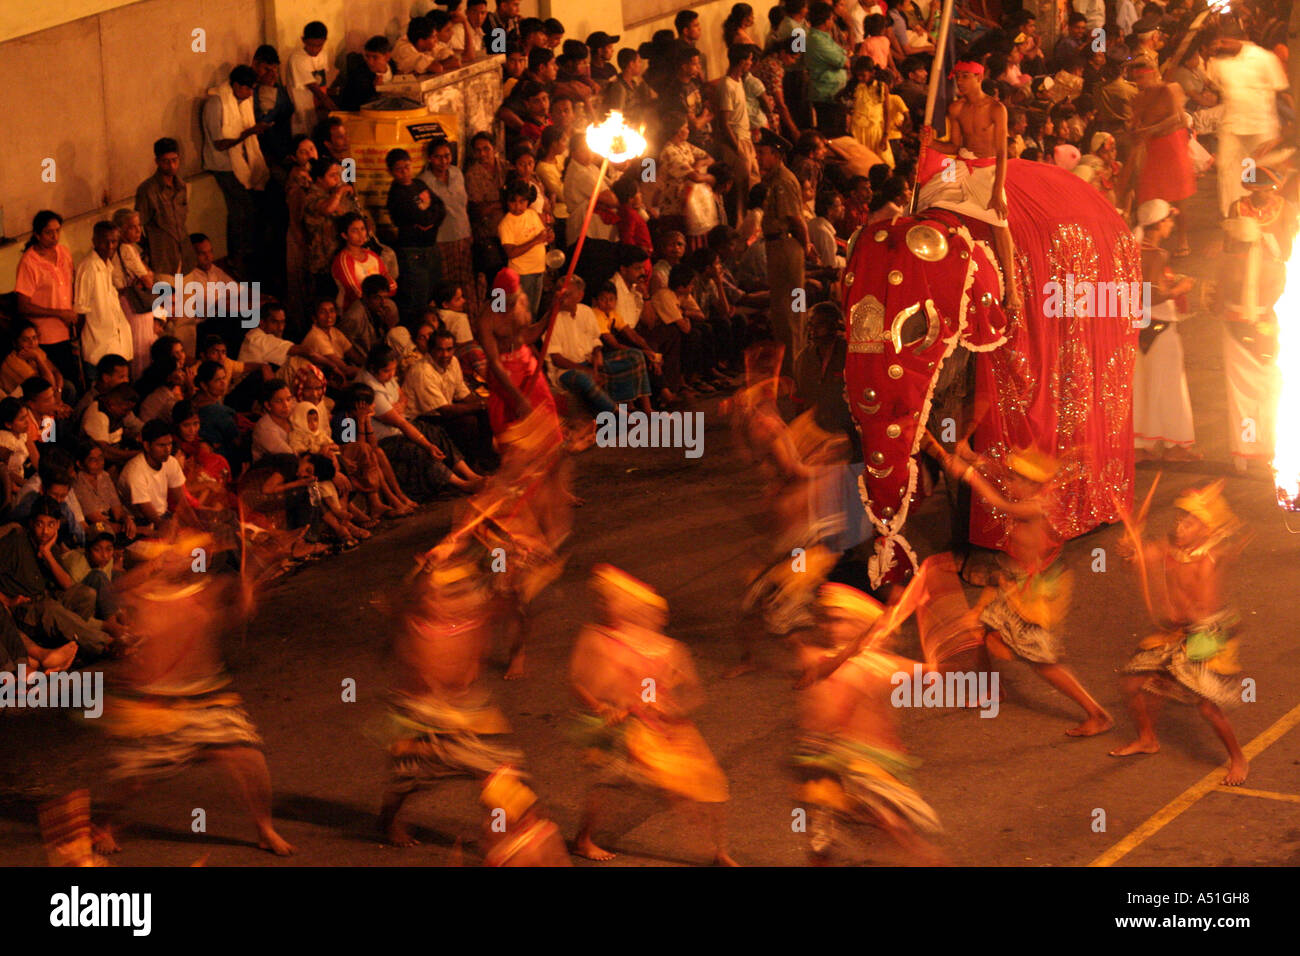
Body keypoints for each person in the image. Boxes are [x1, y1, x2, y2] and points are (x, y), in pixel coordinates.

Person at [91, 533, 294, 857]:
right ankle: (102, 824)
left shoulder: (205, 591)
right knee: (135, 781)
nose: (188, 560)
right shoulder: (143, 594)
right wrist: (160, 561)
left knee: (250, 759)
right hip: (157, 702)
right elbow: (116, 588)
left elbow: (239, 612)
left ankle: (264, 828)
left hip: (205, 696)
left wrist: (254, 579)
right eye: (182, 555)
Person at [924, 437, 1113, 737]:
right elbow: (1000, 477)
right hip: (1015, 581)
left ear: (1031, 485)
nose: (1008, 482)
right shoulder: (1031, 493)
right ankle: (987, 688)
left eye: (1015, 479)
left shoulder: (1034, 507)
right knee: (983, 630)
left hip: (1035, 591)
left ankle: (1097, 713)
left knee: (1042, 662)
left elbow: (998, 501)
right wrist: (972, 458)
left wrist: (968, 474)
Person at [570, 565, 737, 865]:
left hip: (666, 731)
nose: (650, 619)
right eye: (642, 613)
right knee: (607, 784)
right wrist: (603, 708)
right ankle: (584, 839)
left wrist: (671, 709)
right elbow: (580, 681)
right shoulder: (603, 641)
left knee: (710, 784)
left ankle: (719, 851)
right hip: (625, 731)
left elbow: (693, 694)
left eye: (654, 614)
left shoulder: (671, 650)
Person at [378, 542, 526, 846]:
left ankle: (499, 838)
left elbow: (504, 598)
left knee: (498, 773)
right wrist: (429, 568)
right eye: (447, 593)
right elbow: (414, 671)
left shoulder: (473, 618)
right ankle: (388, 819)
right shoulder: (417, 626)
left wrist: (509, 567)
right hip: (422, 714)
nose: (456, 600)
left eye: (462, 592)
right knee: (411, 779)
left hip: (469, 709)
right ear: (426, 598)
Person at [793, 584, 945, 864]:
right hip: (823, 765)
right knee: (820, 848)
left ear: (860, 625)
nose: (830, 626)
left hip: (870, 770)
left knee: (902, 838)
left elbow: (937, 672)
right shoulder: (817, 659)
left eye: (839, 619)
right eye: (827, 619)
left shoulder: (881, 667)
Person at [1112, 482, 1250, 785]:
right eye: (1179, 519)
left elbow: (1204, 606)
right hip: (1175, 633)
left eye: (1190, 522)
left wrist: (1182, 617)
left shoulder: (1209, 558)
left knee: (1206, 706)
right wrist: (1128, 553)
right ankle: (1147, 739)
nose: (1180, 525)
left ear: (1206, 529)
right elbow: (1139, 561)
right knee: (1132, 683)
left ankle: (1238, 758)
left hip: (1206, 634)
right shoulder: (1166, 548)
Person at [918, 61, 1023, 313]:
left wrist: (997, 193)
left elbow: (1001, 153)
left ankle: (1011, 288)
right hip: (961, 164)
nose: (961, 82)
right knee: (925, 199)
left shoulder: (996, 109)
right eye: (958, 78)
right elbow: (953, 147)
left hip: (988, 169)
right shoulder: (956, 108)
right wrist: (931, 143)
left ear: (979, 77)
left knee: (998, 220)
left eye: (965, 77)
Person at [357, 345, 483, 500]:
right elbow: (400, 423)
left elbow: (402, 395)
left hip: (401, 425)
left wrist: (401, 404)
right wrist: (427, 445)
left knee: (434, 432)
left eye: (393, 370)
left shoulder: (385, 377)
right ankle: (461, 484)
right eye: (387, 371)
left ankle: (470, 475)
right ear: (373, 369)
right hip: (385, 438)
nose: (391, 375)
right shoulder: (369, 389)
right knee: (418, 450)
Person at [1132, 200, 1198, 461]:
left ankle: (1140, 444)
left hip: (1138, 327)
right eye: (1169, 220)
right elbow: (1149, 296)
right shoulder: (1157, 254)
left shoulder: (1132, 250)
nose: (1171, 225)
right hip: (1161, 326)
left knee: (1140, 386)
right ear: (1158, 224)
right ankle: (1176, 445)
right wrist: (1179, 290)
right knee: (1171, 387)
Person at [1206, 29, 1290, 218]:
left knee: (1264, 170)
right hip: (1233, 126)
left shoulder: (1264, 58)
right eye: (1217, 42)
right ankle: (1235, 214)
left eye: (1224, 40)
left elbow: (1282, 91)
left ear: (1240, 40)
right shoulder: (1217, 63)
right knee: (1229, 172)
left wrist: (1289, 127)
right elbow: (1215, 89)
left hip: (1261, 126)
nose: (1221, 45)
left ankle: (1272, 213)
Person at [201, 65, 271, 279]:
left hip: (240, 162)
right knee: (242, 209)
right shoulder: (216, 103)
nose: (250, 94)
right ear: (236, 86)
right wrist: (249, 132)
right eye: (247, 89)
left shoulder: (243, 101)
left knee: (246, 209)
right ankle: (236, 258)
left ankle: (244, 256)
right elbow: (220, 144)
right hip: (222, 164)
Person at [757, 128, 811, 384]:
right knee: (781, 310)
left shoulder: (784, 180)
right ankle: (788, 367)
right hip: (776, 246)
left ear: (776, 154)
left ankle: (796, 368)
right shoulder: (771, 180)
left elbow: (795, 220)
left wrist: (807, 246)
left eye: (763, 152)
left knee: (792, 309)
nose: (758, 157)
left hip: (787, 246)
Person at [480, 268, 561, 437]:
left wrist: (552, 310)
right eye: (503, 301)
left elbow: (527, 336)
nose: (507, 306)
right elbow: (494, 362)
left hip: (525, 361)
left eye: (511, 302)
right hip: (503, 369)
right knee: (513, 426)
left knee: (544, 411)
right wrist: (518, 398)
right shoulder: (488, 317)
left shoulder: (522, 301)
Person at [1123, 61, 1194, 248]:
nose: (1138, 82)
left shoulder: (1169, 90)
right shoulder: (1138, 98)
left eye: (1141, 77)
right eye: (1135, 79)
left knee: (1180, 196)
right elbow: (1136, 123)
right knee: (1150, 196)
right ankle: (1150, 242)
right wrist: (1134, 129)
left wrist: (1151, 129)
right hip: (1152, 150)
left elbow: (1178, 118)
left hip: (1173, 146)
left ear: (1152, 74)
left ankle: (1182, 239)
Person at [405, 328, 495, 470]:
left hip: (441, 411)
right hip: (421, 420)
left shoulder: (453, 361)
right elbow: (444, 411)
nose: (445, 354)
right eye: (440, 350)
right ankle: (470, 465)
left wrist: (485, 404)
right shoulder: (422, 371)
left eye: (449, 349)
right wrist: (481, 405)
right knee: (468, 422)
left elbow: (462, 393)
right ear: (431, 350)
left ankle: (486, 458)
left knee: (486, 413)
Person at [15, 211, 80, 387]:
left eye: (58, 231)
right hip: (46, 337)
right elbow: (23, 306)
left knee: (74, 382)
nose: (55, 236)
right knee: (58, 385)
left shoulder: (64, 253)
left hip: (68, 331)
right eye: (49, 232)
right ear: (37, 234)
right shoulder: (29, 262)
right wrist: (58, 313)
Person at [418, 137, 479, 317]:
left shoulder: (457, 174)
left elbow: (464, 205)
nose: (443, 161)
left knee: (467, 283)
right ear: (429, 158)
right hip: (441, 241)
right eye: (438, 157)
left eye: (447, 156)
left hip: (463, 236)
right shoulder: (423, 182)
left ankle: (471, 324)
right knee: (446, 287)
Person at [385, 148, 444, 323]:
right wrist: (429, 218)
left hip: (431, 247)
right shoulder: (396, 194)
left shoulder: (419, 185)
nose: (404, 172)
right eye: (399, 169)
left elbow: (440, 207)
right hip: (412, 252)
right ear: (391, 171)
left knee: (433, 293)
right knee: (416, 299)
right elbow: (418, 217)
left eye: (407, 166)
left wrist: (430, 218)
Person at [74, 222, 135, 380]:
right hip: (99, 348)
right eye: (105, 241)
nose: (109, 246)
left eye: (114, 241)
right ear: (94, 241)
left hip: (118, 345)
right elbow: (80, 310)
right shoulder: (88, 267)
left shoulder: (107, 265)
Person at [108, 208, 159, 379]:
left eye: (139, 226)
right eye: (132, 227)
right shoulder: (126, 249)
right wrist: (148, 275)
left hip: (127, 302)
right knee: (141, 349)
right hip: (135, 304)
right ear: (121, 230)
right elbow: (148, 280)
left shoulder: (125, 248)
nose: (138, 231)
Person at [135, 138, 193, 277]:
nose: (172, 165)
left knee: (188, 297)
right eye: (166, 161)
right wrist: (153, 248)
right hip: (162, 261)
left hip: (184, 257)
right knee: (168, 298)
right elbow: (136, 228)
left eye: (174, 160)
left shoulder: (181, 187)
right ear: (157, 162)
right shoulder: (147, 190)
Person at [498, 179, 552, 312]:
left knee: (533, 311)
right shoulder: (506, 224)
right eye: (513, 202)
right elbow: (510, 252)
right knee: (520, 312)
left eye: (522, 201)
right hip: (522, 273)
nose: (517, 206)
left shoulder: (532, 214)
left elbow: (543, 236)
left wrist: (549, 236)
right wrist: (535, 240)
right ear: (507, 202)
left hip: (538, 270)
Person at [331, 213, 395, 312]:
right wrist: (379, 298)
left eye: (362, 229)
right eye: (354, 231)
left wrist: (381, 298)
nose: (361, 234)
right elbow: (354, 292)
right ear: (344, 235)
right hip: (354, 309)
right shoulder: (343, 260)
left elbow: (390, 283)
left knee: (391, 307)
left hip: (377, 304)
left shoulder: (372, 255)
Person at [286, 21, 335, 136]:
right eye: (311, 45)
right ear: (303, 40)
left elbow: (322, 82)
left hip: (318, 108)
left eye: (319, 45)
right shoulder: (297, 59)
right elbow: (315, 89)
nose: (314, 50)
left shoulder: (323, 54)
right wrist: (335, 109)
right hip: (302, 109)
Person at [335, 35, 394, 111]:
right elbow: (353, 104)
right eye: (367, 57)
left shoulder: (394, 68)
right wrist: (374, 90)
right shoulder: (359, 76)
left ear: (387, 57)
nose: (370, 62)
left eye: (375, 57)